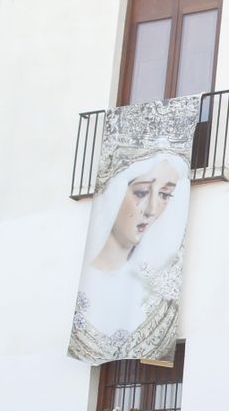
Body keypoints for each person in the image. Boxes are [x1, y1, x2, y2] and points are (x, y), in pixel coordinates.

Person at [68, 147, 191, 363]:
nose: (152, 209)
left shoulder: (153, 284)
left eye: (164, 194)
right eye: (142, 193)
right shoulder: (89, 278)